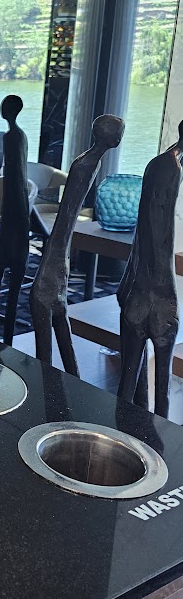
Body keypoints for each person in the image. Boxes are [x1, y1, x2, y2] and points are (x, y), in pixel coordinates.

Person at [31, 115, 124, 376]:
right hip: (53, 268)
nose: (120, 136)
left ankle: (70, 386)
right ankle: (48, 388)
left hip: (57, 266)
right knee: (48, 349)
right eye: (119, 131)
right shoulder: (86, 164)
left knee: (61, 327)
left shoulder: (91, 161)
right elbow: (65, 219)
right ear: (108, 134)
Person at [117, 121, 183, 418]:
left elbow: (143, 236)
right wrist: (163, 297)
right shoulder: (170, 168)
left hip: (141, 292)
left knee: (129, 386)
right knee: (159, 396)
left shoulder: (162, 162)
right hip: (155, 296)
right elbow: (158, 237)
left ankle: (129, 427)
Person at [0, 95, 28, 344]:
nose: (2, 110)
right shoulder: (20, 135)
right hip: (19, 212)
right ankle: (4, 336)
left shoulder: (11, 137)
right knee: (11, 280)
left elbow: (13, 178)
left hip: (13, 213)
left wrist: (7, 214)